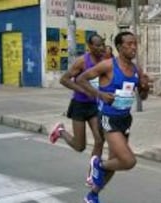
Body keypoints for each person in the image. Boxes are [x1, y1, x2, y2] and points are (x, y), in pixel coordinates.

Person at [77, 31, 149, 203]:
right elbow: (81, 79)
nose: (133, 47)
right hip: (108, 118)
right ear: (119, 47)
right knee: (128, 161)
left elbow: (143, 96)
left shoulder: (136, 69)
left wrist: (145, 88)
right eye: (129, 44)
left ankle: (92, 195)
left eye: (135, 43)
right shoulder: (108, 65)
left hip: (125, 119)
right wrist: (99, 94)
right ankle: (98, 165)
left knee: (115, 162)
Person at [48, 33, 105, 186]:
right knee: (80, 146)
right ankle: (60, 131)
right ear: (90, 47)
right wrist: (82, 89)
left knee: (99, 140)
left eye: (102, 44)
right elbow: (64, 79)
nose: (101, 48)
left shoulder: (105, 61)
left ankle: (92, 176)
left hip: (94, 106)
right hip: (79, 105)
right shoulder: (82, 62)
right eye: (98, 45)